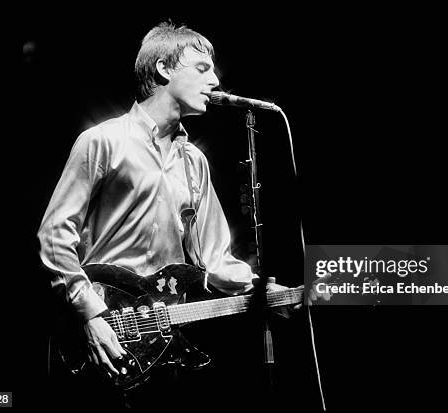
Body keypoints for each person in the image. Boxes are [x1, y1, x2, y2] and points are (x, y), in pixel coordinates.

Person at [37, 21, 295, 408]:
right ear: (163, 69)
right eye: (202, 68)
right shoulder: (102, 142)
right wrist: (89, 314)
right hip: (102, 335)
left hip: (165, 343)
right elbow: (55, 234)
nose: (216, 79)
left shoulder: (194, 162)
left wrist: (263, 289)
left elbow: (214, 258)